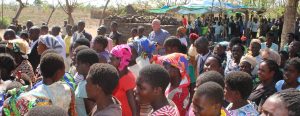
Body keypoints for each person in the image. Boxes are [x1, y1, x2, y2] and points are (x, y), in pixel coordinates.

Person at [4, 53, 76, 115]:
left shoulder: (29, 96)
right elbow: (72, 113)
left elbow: (6, 106)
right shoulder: (68, 91)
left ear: (41, 71)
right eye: (64, 69)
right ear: (59, 73)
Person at [110, 45, 138, 116]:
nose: (109, 61)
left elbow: (134, 106)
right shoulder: (117, 74)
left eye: (112, 59)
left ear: (121, 60)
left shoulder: (127, 78)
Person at [75, 49, 99, 116]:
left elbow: (91, 111)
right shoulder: (94, 82)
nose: (76, 65)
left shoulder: (86, 85)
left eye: (78, 63)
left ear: (87, 65)